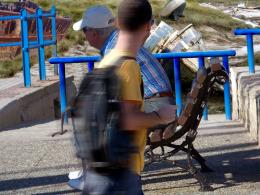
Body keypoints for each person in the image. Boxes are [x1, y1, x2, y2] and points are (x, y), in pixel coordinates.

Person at [68, 3, 177, 191]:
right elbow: (127, 119)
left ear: (118, 23)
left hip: (103, 170)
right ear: (148, 27)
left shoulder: (109, 59)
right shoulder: (128, 64)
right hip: (122, 172)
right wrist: (161, 116)